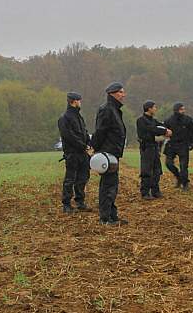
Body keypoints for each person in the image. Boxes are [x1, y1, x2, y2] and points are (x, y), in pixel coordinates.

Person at [92, 82, 128, 224]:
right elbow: (101, 131)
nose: (123, 95)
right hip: (108, 153)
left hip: (113, 153)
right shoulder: (107, 110)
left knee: (112, 185)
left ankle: (112, 215)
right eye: (120, 92)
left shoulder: (114, 109)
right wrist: (94, 147)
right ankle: (105, 218)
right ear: (112, 93)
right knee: (108, 186)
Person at [57, 91, 90, 213]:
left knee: (83, 178)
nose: (80, 102)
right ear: (74, 101)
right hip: (72, 154)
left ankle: (80, 202)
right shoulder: (64, 118)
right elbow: (68, 136)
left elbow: (84, 132)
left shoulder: (79, 117)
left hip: (82, 154)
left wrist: (89, 142)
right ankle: (66, 204)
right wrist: (83, 146)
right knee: (70, 179)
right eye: (79, 100)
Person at [135, 100, 171, 198]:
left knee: (157, 170)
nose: (156, 109)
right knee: (146, 170)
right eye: (154, 107)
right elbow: (152, 129)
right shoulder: (141, 120)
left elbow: (160, 126)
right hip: (146, 148)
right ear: (149, 108)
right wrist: (164, 131)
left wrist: (166, 130)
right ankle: (145, 192)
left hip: (155, 148)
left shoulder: (153, 120)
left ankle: (155, 191)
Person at [162, 102, 193, 189]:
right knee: (168, 163)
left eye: (183, 109)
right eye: (181, 109)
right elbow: (163, 131)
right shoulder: (169, 120)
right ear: (176, 110)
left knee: (183, 166)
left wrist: (192, 142)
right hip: (172, 144)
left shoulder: (188, 120)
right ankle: (178, 176)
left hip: (183, 144)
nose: (183, 111)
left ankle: (185, 183)